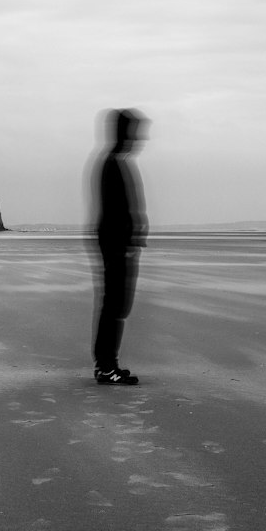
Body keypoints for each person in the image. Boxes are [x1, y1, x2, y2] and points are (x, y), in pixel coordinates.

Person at [91, 108, 148, 384]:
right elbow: (114, 211)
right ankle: (105, 367)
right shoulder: (112, 163)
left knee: (116, 307)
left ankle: (107, 364)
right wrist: (125, 244)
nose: (139, 139)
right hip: (115, 247)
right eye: (135, 132)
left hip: (116, 245)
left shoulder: (114, 161)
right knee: (114, 306)